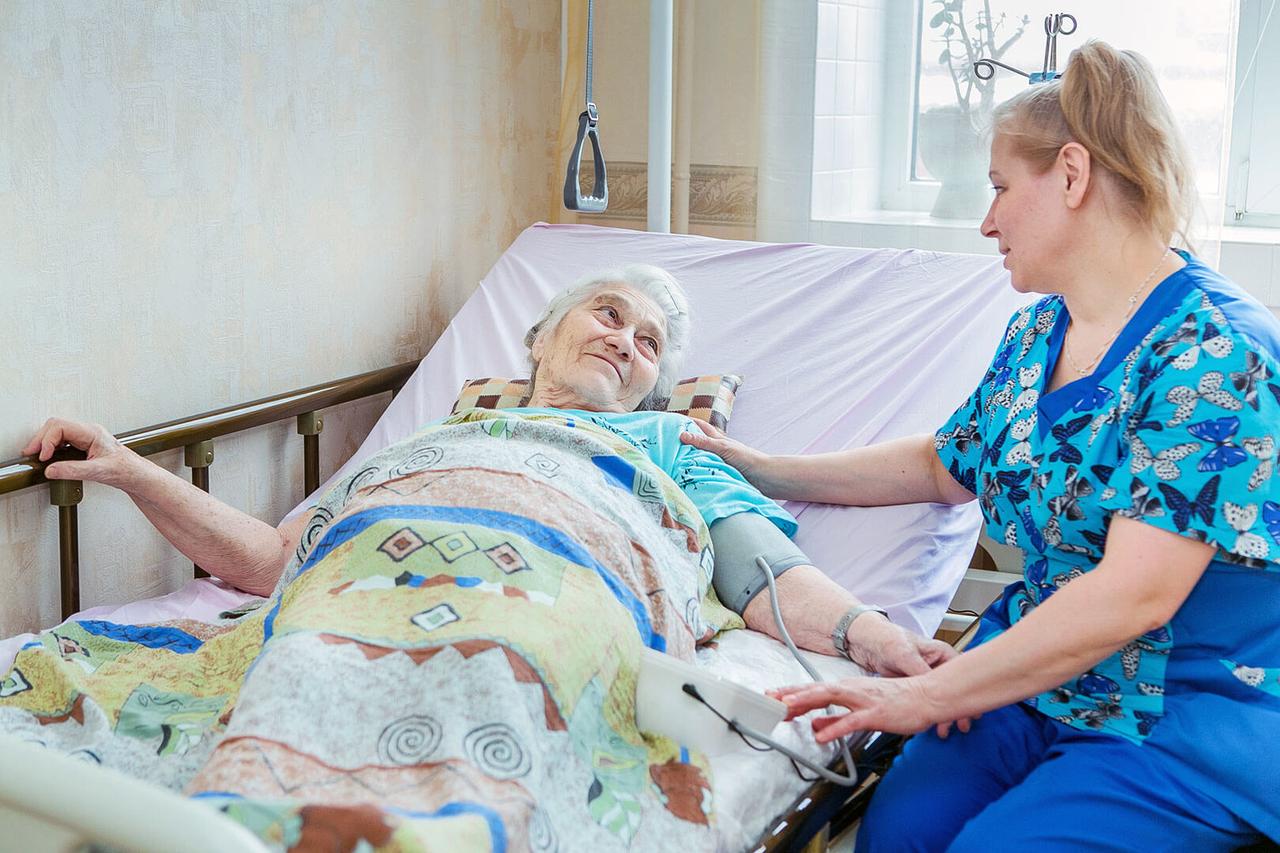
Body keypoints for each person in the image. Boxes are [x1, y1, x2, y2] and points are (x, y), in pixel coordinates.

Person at [681, 42, 1278, 850]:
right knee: (898, 835)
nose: (987, 221)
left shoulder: (1216, 355)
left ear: (1072, 175)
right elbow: (945, 463)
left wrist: (932, 693)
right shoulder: (1038, 329)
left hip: (1183, 713)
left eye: (1000, 187)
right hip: (1041, 678)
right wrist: (762, 467)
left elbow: (1133, 596)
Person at [21, 264, 952, 679]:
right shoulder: (433, 441)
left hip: (539, 610)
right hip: (354, 608)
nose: (624, 340)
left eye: (647, 345)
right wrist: (129, 468)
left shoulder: (665, 444)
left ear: (650, 390)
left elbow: (760, 568)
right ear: (540, 337)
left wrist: (875, 637)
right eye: (608, 313)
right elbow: (271, 562)